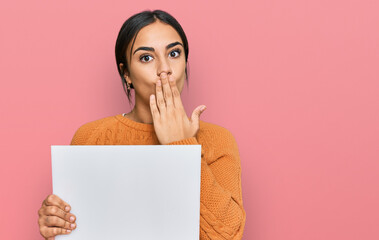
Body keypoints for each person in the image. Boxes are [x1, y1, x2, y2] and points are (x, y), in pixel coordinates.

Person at [38, 9, 246, 240]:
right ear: (126, 73)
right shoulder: (90, 137)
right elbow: (80, 228)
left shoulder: (219, 140)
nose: (164, 69)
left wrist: (181, 144)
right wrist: (56, 223)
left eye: (174, 53)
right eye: (146, 57)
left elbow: (227, 235)